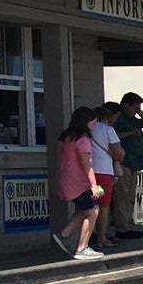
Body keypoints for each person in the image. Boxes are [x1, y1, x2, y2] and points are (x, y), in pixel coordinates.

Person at [50, 106, 105, 261]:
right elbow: (86, 164)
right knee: (93, 210)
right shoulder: (83, 140)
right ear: (85, 123)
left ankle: (65, 234)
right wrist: (94, 185)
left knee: (84, 208)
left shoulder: (65, 137)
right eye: (93, 124)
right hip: (78, 183)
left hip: (64, 180)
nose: (94, 128)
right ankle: (82, 247)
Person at [111, 91, 143, 240]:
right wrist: (129, 133)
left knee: (130, 196)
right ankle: (122, 228)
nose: (137, 110)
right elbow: (112, 136)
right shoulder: (119, 119)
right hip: (123, 163)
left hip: (135, 163)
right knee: (122, 196)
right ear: (126, 105)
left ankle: (127, 224)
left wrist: (140, 111)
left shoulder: (134, 119)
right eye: (135, 107)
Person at [88, 102, 123, 248]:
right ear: (108, 117)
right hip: (103, 171)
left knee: (89, 205)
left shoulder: (87, 129)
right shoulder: (108, 130)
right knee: (103, 205)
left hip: (88, 171)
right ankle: (102, 237)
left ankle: (89, 235)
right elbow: (118, 153)